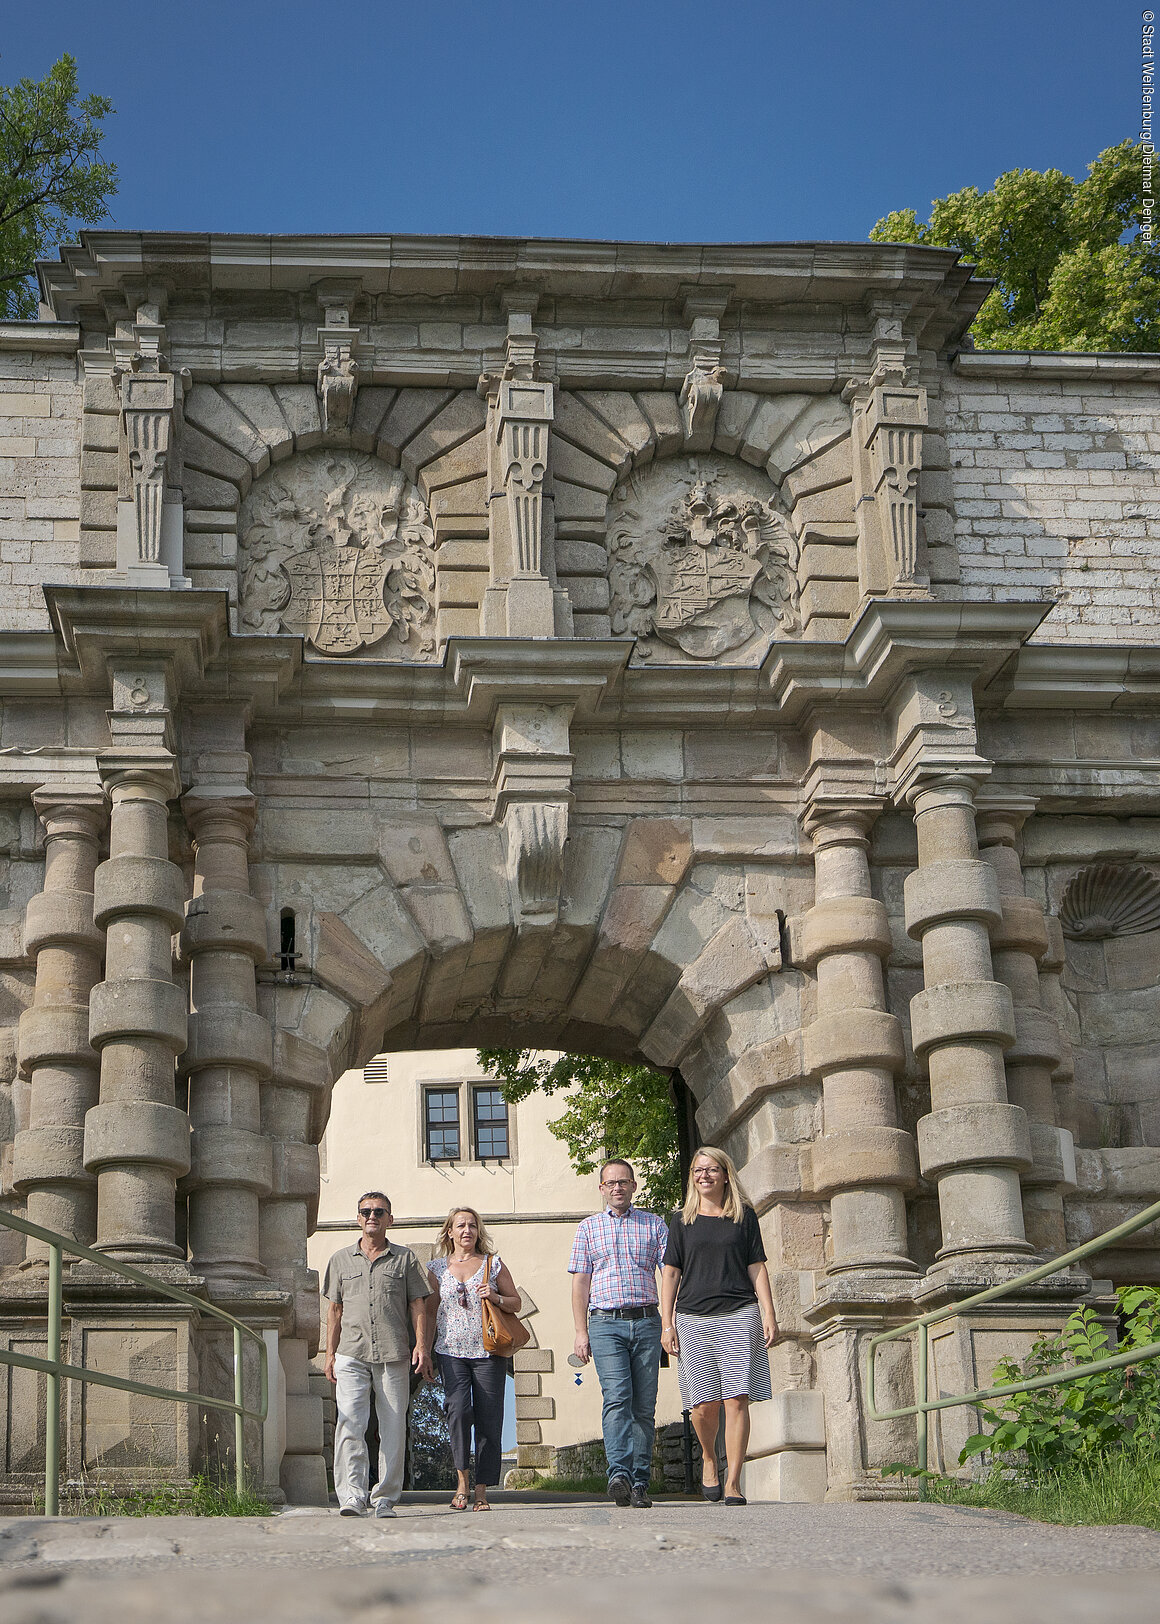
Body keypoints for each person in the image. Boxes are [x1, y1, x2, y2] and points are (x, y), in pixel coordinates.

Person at [660, 1146, 777, 1507]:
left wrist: (769, 1314)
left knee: (737, 1400)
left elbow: (756, 1266)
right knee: (702, 1406)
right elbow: (671, 1272)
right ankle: (710, 1459)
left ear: (726, 1174)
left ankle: (734, 1483)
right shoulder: (680, 1221)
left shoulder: (744, 1217)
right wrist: (666, 1323)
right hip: (693, 1317)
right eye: (698, 1170)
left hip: (740, 1314)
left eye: (711, 1169)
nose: (704, 1176)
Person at [322, 1189, 434, 1518]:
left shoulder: (405, 1259)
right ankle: (352, 1496)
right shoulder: (340, 1259)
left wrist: (422, 1346)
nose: (373, 1216)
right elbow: (334, 1311)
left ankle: (384, 1498)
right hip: (351, 1353)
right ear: (358, 1218)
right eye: (366, 1211)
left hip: (394, 1352)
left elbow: (418, 1305)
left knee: (392, 1426)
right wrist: (329, 1354)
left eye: (380, 1212)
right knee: (350, 1423)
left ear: (390, 1219)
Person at [569, 1158, 668, 1508]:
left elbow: (670, 1275)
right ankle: (619, 1474)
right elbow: (580, 1283)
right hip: (605, 1323)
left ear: (634, 1186)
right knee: (617, 1397)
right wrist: (581, 1331)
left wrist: (669, 1323)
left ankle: (640, 1482)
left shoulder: (655, 1224)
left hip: (646, 1321)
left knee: (644, 1404)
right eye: (610, 1183)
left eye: (624, 1182)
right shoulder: (588, 1228)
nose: (617, 1188)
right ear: (601, 1189)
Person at [426, 1205, 521, 1512]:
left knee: (489, 1418)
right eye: (461, 1226)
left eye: (472, 1225)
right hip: (450, 1351)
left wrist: (494, 1297)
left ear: (479, 1232)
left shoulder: (493, 1265)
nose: (467, 1230)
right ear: (449, 1232)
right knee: (457, 1412)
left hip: (487, 1351)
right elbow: (429, 1313)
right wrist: (424, 1351)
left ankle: (481, 1490)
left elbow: (516, 1303)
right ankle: (461, 1482)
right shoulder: (436, 1269)